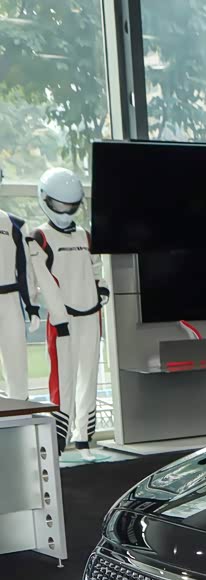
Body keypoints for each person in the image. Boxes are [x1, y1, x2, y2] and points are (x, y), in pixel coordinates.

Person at [27, 167, 107, 450]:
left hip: (91, 314)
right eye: (59, 205)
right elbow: (43, 280)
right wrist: (59, 316)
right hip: (63, 319)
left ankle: (83, 435)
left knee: (89, 375)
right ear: (45, 199)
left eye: (70, 206)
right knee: (64, 378)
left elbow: (96, 266)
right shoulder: (39, 237)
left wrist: (101, 287)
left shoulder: (85, 236)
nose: (64, 211)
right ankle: (60, 439)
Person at [0, 167, 40, 400]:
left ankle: (19, 415)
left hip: (10, 301)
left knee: (17, 364)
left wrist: (32, 307)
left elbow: (24, 269)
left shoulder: (14, 223)